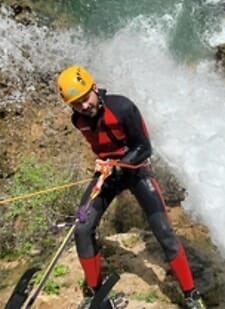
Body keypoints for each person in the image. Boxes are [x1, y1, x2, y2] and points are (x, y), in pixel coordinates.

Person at [56, 65, 206, 309]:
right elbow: (100, 146)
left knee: (164, 232)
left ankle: (191, 295)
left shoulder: (123, 108)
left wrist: (120, 164)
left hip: (136, 171)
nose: (83, 106)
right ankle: (94, 294)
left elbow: (144, 147)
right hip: (108, 174)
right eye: (76, 103)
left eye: (85, 98)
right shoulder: (78, 120)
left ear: (95, 89)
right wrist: (104, 164)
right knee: (82, 227)